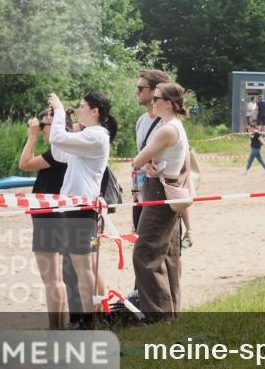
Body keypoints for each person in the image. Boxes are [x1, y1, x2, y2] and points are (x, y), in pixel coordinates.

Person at [46, 91, 118, 326]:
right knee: (81, 267)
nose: (78, 109)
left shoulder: (96, 136)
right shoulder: (89, 136)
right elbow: (58, 152)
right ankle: (93, 318)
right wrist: (65, 124)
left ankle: (91, 319)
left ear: (95, 111)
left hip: (81, 208)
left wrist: (58, 111)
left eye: (82, 106)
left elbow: (56, 138)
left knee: (83, 267)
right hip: (74, 207)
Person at [131, 82, 190, 320]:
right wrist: (146, 163)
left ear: (168, 103)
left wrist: (144, 163)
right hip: (167, 187)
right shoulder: (175, 126)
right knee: (167, 254)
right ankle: (170, 313)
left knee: (145, 254)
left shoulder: (166, 130)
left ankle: (158, 314)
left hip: (159, 191)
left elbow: (137, 160)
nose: (152, 102)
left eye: (156, 98)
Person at [20, 107, 81, 329]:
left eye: (44, 125)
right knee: (62, 276)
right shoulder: (72, 146)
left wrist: (32, 136)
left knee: (52, 279)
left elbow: (24, 163)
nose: (42, 129)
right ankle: (64, 324)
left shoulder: (58, 151)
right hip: (63, 213)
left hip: (48, 216)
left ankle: (56, 328)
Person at [132, 70, 171, 232]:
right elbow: (139, 159)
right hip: (142, 191)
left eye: (140, 88)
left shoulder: (167, 123)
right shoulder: (141, 121)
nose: (137, 91)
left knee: (166, 252)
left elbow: (175, 161)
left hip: (162, 192)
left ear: (155, 90)